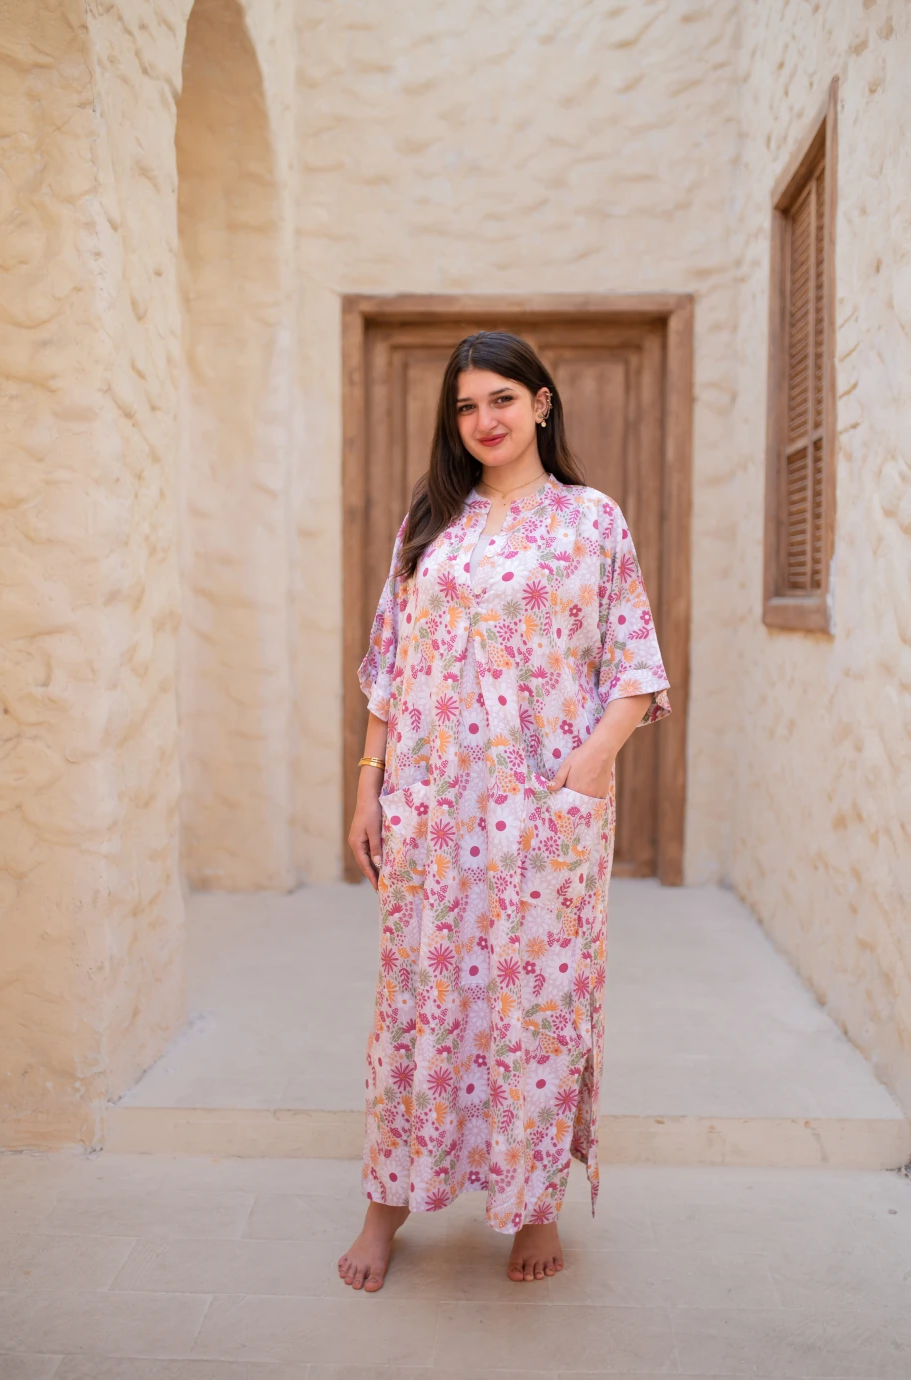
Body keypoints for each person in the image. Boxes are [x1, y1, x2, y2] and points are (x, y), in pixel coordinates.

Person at [340, 331, 670, 1292]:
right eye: (466, 406)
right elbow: (389, 665)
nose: (483, 420)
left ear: (541, 403)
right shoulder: (429, 521)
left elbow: (636, 667)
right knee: (418, 998)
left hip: (543, 814)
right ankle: (387, 1203)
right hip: (432, 810)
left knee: (536, 1006)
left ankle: (533, 1207)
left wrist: (587, 770)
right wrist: (369, 785)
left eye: (501, 399)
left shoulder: (590, 521)